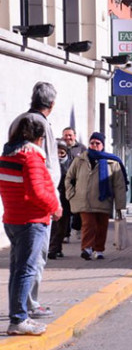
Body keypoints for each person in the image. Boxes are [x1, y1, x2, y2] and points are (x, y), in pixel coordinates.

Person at [0, 118, 61, 335]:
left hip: (12, 219)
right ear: (38, 137)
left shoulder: (7, 156)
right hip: (31, 221)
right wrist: (55, 207)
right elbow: (37, 192)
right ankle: (18, 319)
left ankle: (18, 316)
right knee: (26, 270)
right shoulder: (31, 158)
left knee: (17, 271)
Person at [7, 81, 59, 321]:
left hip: (14, 207)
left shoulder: (18, 121)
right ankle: (27, 307)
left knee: (20, 265)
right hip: (33, 211)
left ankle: (22, 307)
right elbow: (44, 172)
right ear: (51, 103)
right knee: (33, 262)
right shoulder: (39, 128)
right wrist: (54, 204)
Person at [65, 132, 127, 260]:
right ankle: (87, 248)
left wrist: (120, 206)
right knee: (88, 224)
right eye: (92, 143)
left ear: (102, 145)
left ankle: (99, 250)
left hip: (104, 199)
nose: (94, 145)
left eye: (97, 143)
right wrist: (71, 194)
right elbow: (69, 178)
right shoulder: (80, 160)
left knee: (101, 226)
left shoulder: (112, 162)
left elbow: (119, 185)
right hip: (84, 200)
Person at [47, 141, 72, 260]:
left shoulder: (71, 164)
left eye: (62, 152)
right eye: (57, 152)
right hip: (53, 198)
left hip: (66, 200)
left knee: (62, 227)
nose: (59, 155)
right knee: (54, 226)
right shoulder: (50, 164)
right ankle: (52, 248)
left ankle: (57, 248)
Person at [62, 127, 87, 243]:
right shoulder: (60, 147)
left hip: (77, 183)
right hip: (63, 183)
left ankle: (77, 228)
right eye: (65, 135)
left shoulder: (81, 148)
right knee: (65, 210)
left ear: (75, 136)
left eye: (70, 135)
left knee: (78, 209)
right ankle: (65, 234)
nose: (68, 138)